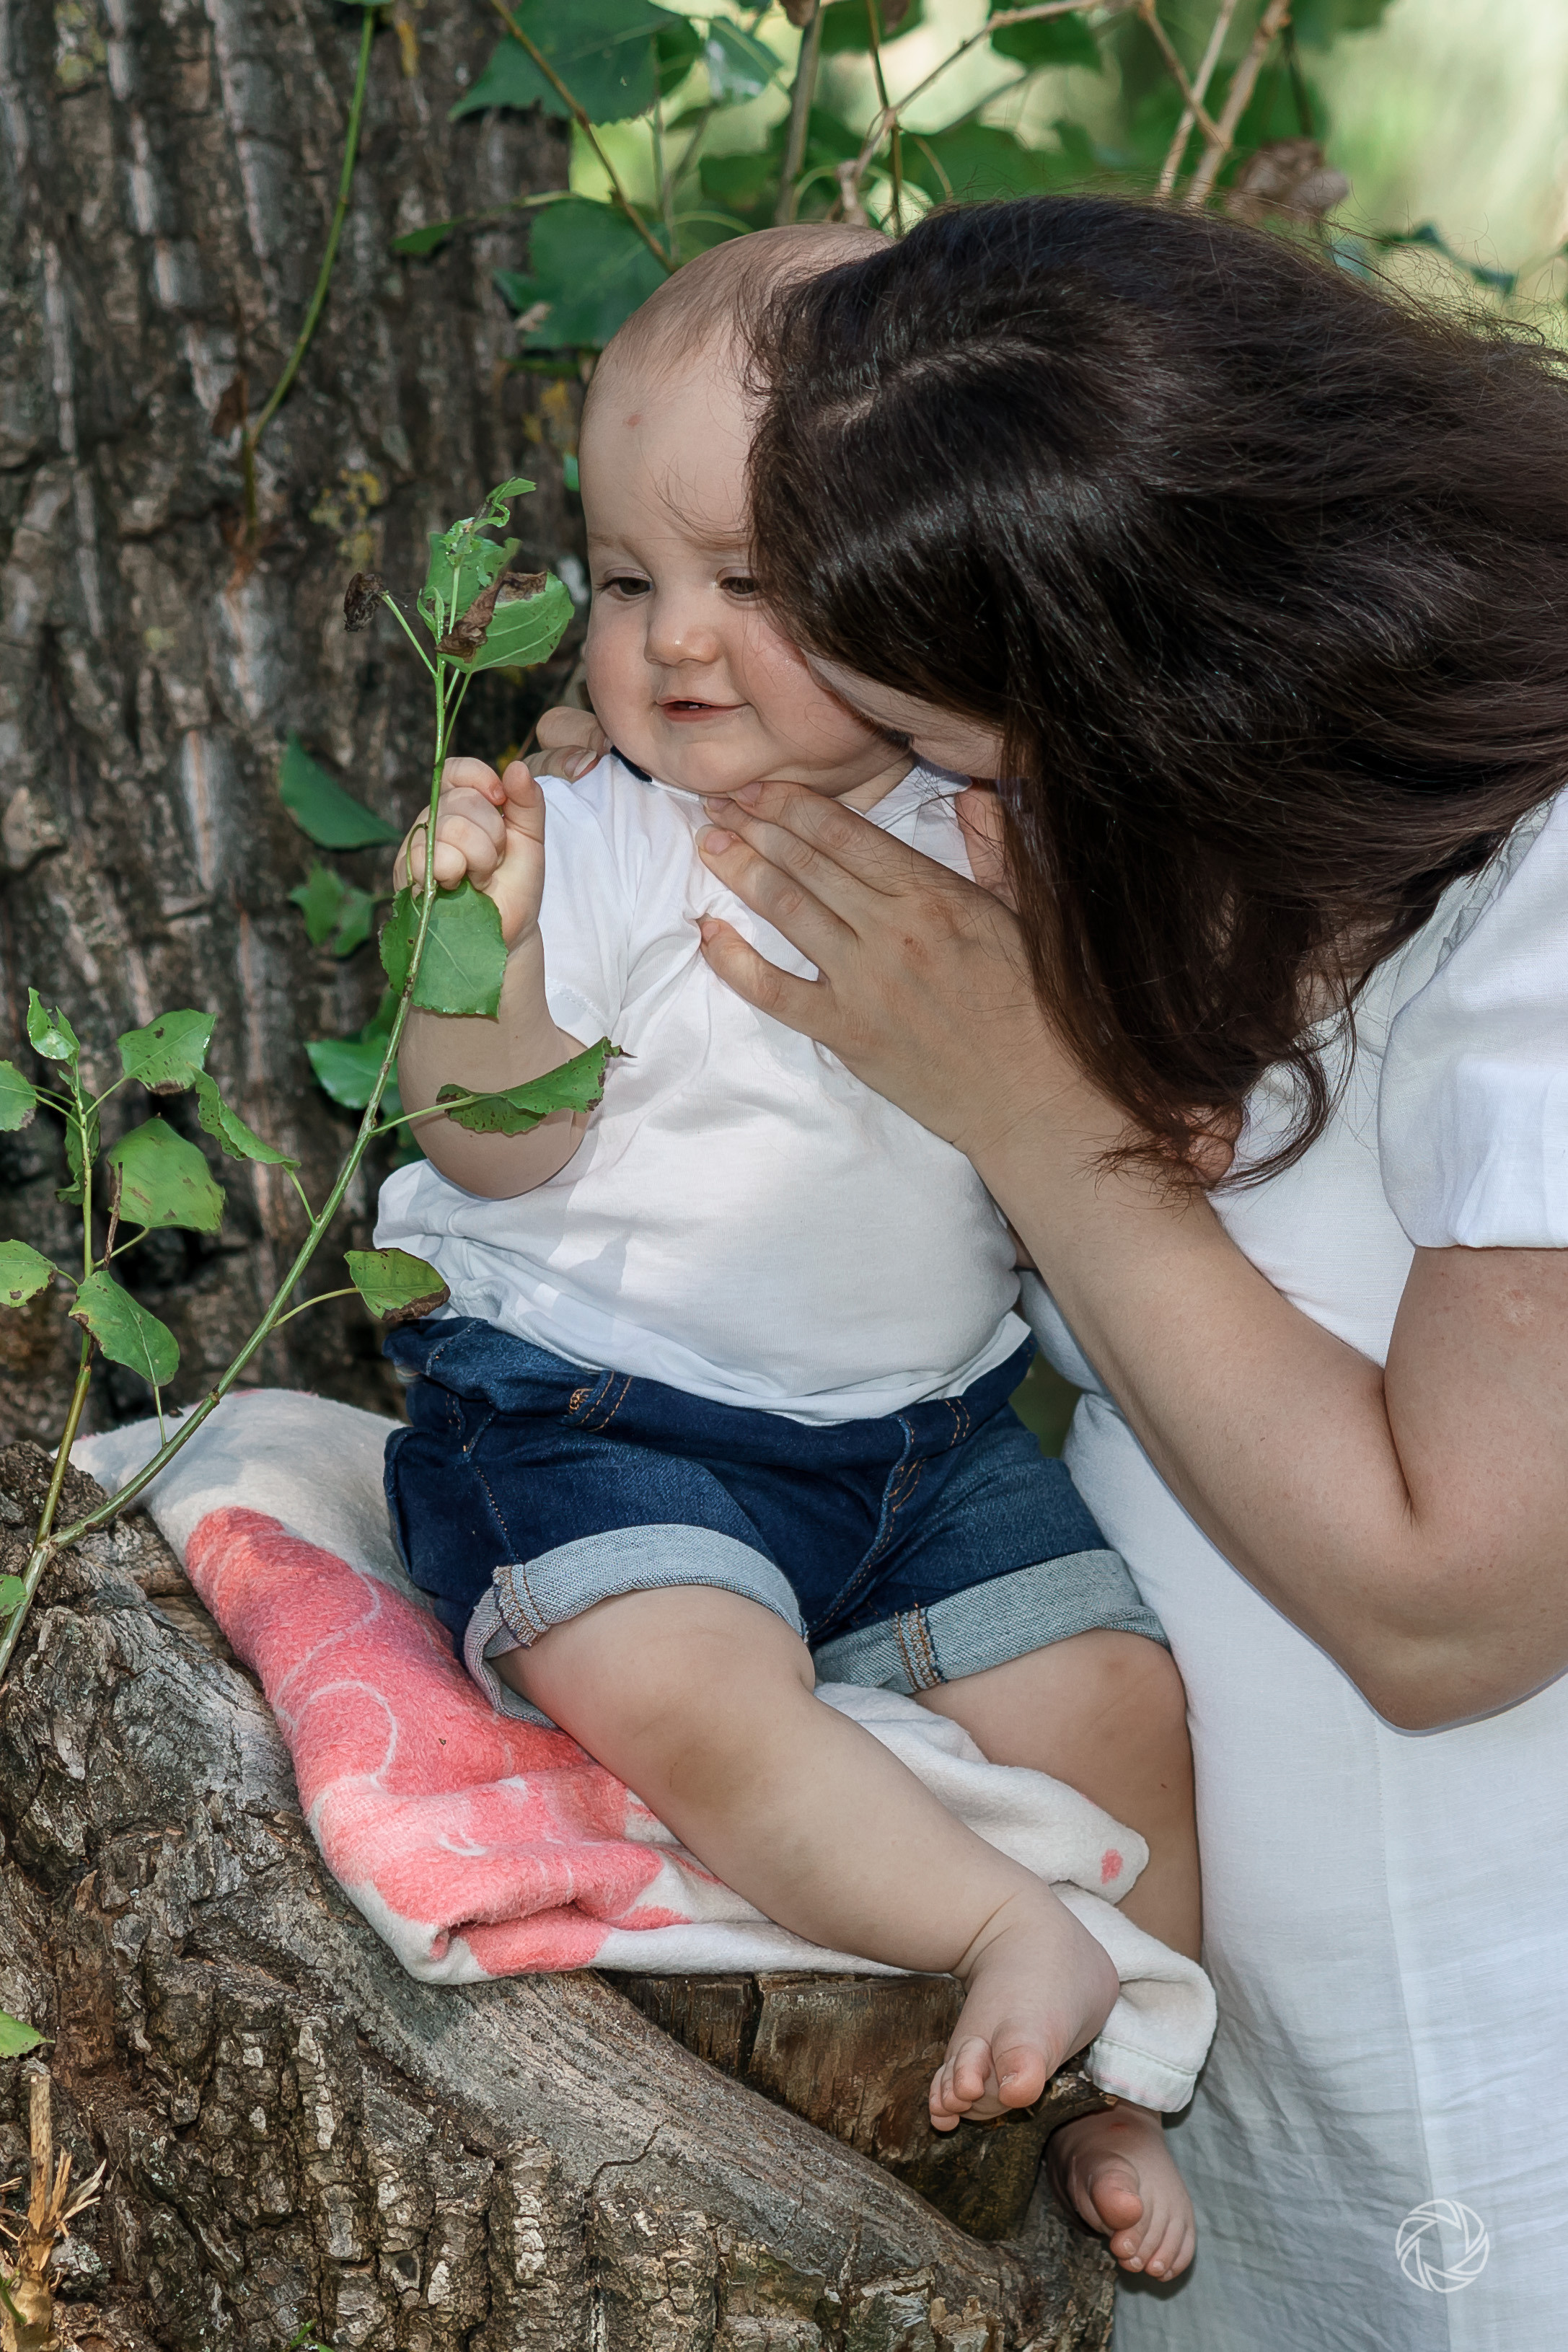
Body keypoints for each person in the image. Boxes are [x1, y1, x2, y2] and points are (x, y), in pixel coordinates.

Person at [574, 195, 1568, 2350]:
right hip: (1264, 2150)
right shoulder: (1226, 841)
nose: (960, 811)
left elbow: (1455, 1608)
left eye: (967, 753)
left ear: (1176, 678)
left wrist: (1037, 1115)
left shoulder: (1547, 894)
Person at [373, 226, 1205, 2279]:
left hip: (927, 1441)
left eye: (753, 582)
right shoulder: (596, 831)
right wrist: (467, 950)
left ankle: (1129, 2068)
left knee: (1118, 1700)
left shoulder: (988, 826)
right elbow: (494, 1144)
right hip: (600, 1420)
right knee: (690, 1687)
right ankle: (1000, 1928)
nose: (674, 641)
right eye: (626, 580)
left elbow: (1126, 1104)